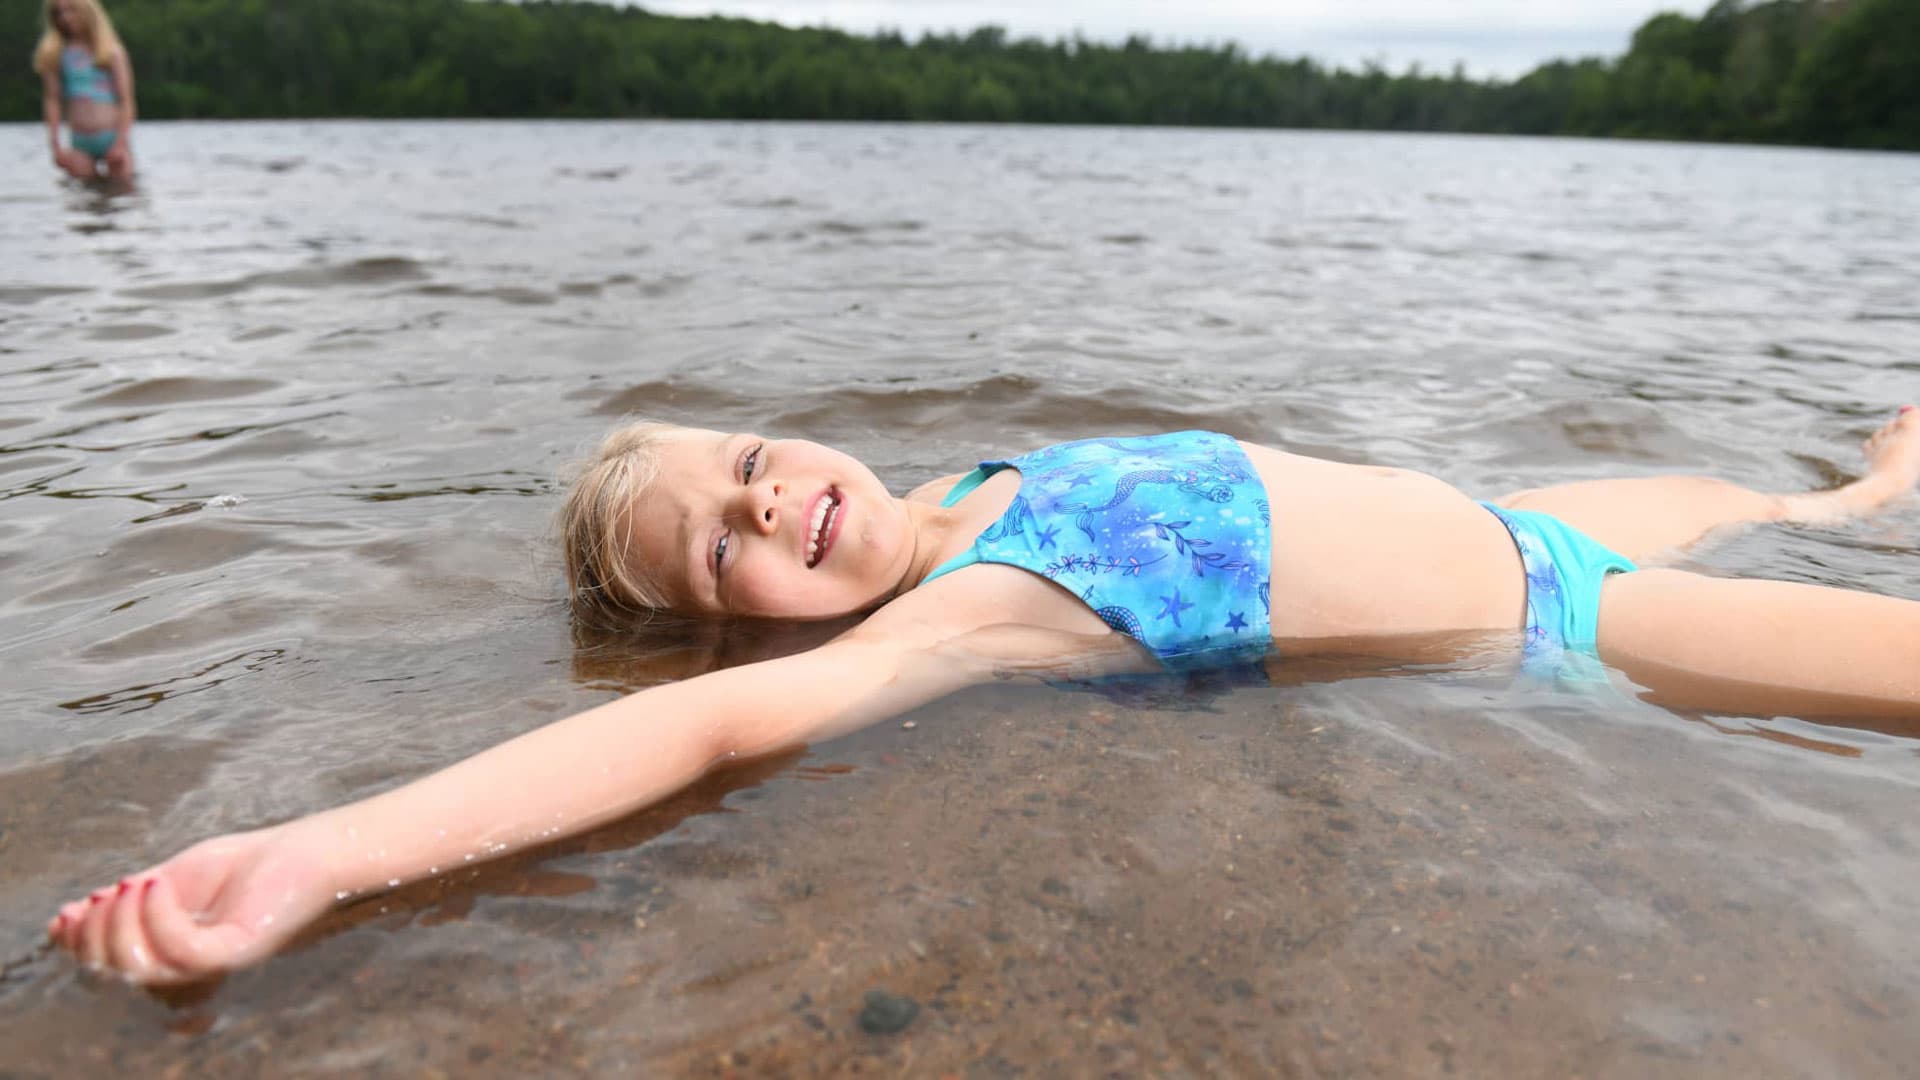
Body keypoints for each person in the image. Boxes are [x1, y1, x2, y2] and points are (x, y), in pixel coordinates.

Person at [46, 407, 1920, 984]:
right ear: (754, 626)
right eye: (725, 551)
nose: (769, 500)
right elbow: (682, 729)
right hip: (1569, 637)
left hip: (1526, 519)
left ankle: (1872, 481)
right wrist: (314, 853)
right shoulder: (977, 614)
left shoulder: (980, 492)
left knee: (1814, 500)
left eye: (752, 459)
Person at [34, 0, 136, 185]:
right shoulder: (54, 54)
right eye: (58, 13)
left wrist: (120, 143)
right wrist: (55, 146)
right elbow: (52, 100)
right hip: (80, 141)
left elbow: (126, 101)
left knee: (123, 193)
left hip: (111, 136)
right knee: (81, 197)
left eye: (71, 10)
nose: (65, 17)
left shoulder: (111, 52)